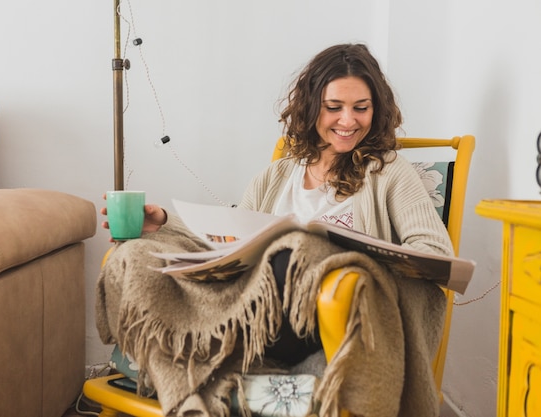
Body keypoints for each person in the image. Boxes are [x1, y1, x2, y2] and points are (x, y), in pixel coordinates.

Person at [101, 43, 453, 365]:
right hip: (256, 307)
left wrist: (349, 258)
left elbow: (435, 252)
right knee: (137, 254)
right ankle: (200, 343)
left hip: (328, 319)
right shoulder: (276, 175)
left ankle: (198, 347)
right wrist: (163, 222)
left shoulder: (389, 171)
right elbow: (229, 239)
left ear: (376, 111)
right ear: (312, 107)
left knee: (291, 255)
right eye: (334, 108)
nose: (348, 121)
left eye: (361, 108)